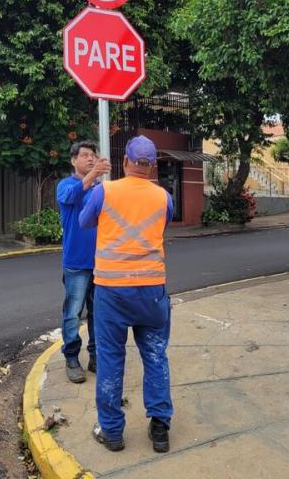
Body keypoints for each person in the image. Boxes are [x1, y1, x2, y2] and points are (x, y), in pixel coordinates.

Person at [79, 135, 174, 454]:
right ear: (152, 166)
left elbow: (84, 221)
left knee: (109, 358)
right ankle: (160, 428)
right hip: (152, 293)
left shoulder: (104, 191)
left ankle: (112, 432)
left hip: (112, 293)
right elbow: (162, 228)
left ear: (125, 162)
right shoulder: (164, 197)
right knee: (156, 355)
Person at [57, 141, 111, 383]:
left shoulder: (101, 188)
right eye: (86, 156)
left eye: (93, 156)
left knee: (98, 314)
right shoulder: (66, 185)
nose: (91, 159)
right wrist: (93, 174)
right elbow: (72, 196)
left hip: (101, 263)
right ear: (73, 161)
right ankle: (71, 357)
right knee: (73, 313)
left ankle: (96, 356)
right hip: (76, 263)